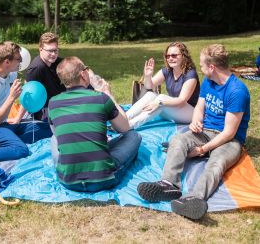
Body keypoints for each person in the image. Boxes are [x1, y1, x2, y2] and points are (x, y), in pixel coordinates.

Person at [137, 44, 250, 220]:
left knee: (216, 163)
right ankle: (169, 184)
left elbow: (228, 132)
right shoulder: (208, 82)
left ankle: (194, 198)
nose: (201, 68)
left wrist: (202, 150)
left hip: (229, 140)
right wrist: (196, 120)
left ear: (212, 67)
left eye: (203, 65)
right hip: (204, 131)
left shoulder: (237, 91)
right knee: (178, 140)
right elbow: (199, 106)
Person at [48, 56, 142, 192]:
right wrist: (108, 94)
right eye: (86, 69)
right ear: (83, 74)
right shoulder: (101, 98)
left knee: (53, 138)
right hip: (103, 179)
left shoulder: (53, 103)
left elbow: (57, 135)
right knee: (134, 136)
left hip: (67, 180)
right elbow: (125, 128)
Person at [126, 42, 200, 128]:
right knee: (151, 95)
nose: (170, 58)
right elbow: (149, 87)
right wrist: (148, 76)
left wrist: (160, 103)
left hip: (189, 114)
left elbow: (182, 100)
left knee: (161, 98)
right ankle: (122, 119)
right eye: (167, 56)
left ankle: (128, 126)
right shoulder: (167, 71)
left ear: (183, 56)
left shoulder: (190, 74)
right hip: (173, 111)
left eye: (174, 55)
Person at [25, 32, 66, 120]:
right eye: (50, 51)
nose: (54, 54)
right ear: (41, 49)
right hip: (44, 112)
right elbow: (27, 96)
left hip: (60, 104)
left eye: (56, 50)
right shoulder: (36, 69)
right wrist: (18, 118)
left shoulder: (60, 63)